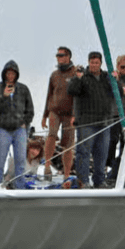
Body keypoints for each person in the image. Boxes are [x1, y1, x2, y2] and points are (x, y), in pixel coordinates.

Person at [67, 51, 115, 188]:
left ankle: (99, 181)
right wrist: (77, 78)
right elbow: (72, 90)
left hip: (104, 122)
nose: (94, 65)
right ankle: (83, 181)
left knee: (102, 154)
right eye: (92, 62)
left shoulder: (107, 77)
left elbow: (119, 93)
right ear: (89, 62)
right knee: (84, 152)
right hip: (86, 122)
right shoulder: (83, 76)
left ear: (100, 63)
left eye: (97, 62)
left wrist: (115, 80)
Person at [0, 60, 35, 188]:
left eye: (13, 73)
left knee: (20, 161)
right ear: (4, 74)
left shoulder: (24, 89)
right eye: (8, 73)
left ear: (16, 74)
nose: (10, 76)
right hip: (3, 129)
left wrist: (25, 122)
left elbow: (30, 109)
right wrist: (4, 96)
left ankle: (20, 187)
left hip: (19, 129)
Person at [42, 46, 77, 183]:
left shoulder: (75, 73)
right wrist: (44, 115)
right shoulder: (54, 75)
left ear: (68, 56)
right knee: (51, 135)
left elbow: (78, 96)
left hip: (70, 114)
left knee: (68, 144)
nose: (59, 58)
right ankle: (47, 166)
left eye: (61, 55)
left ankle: (66, 174)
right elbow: (49, 95)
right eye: (57, 55)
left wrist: (76, 115)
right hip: (54, 111)